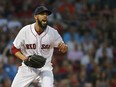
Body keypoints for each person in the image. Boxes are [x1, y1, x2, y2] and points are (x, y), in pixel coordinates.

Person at [11, 6, 68, 87]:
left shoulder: (53, 32)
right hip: (28, 68)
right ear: (35, 16)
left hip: (45, 68)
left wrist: (64, 48)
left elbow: (63, 48)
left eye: (46, 14)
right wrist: (25, 58)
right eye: (42, 14)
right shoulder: (25, 31)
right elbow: (14, 49)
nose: (45, 16)